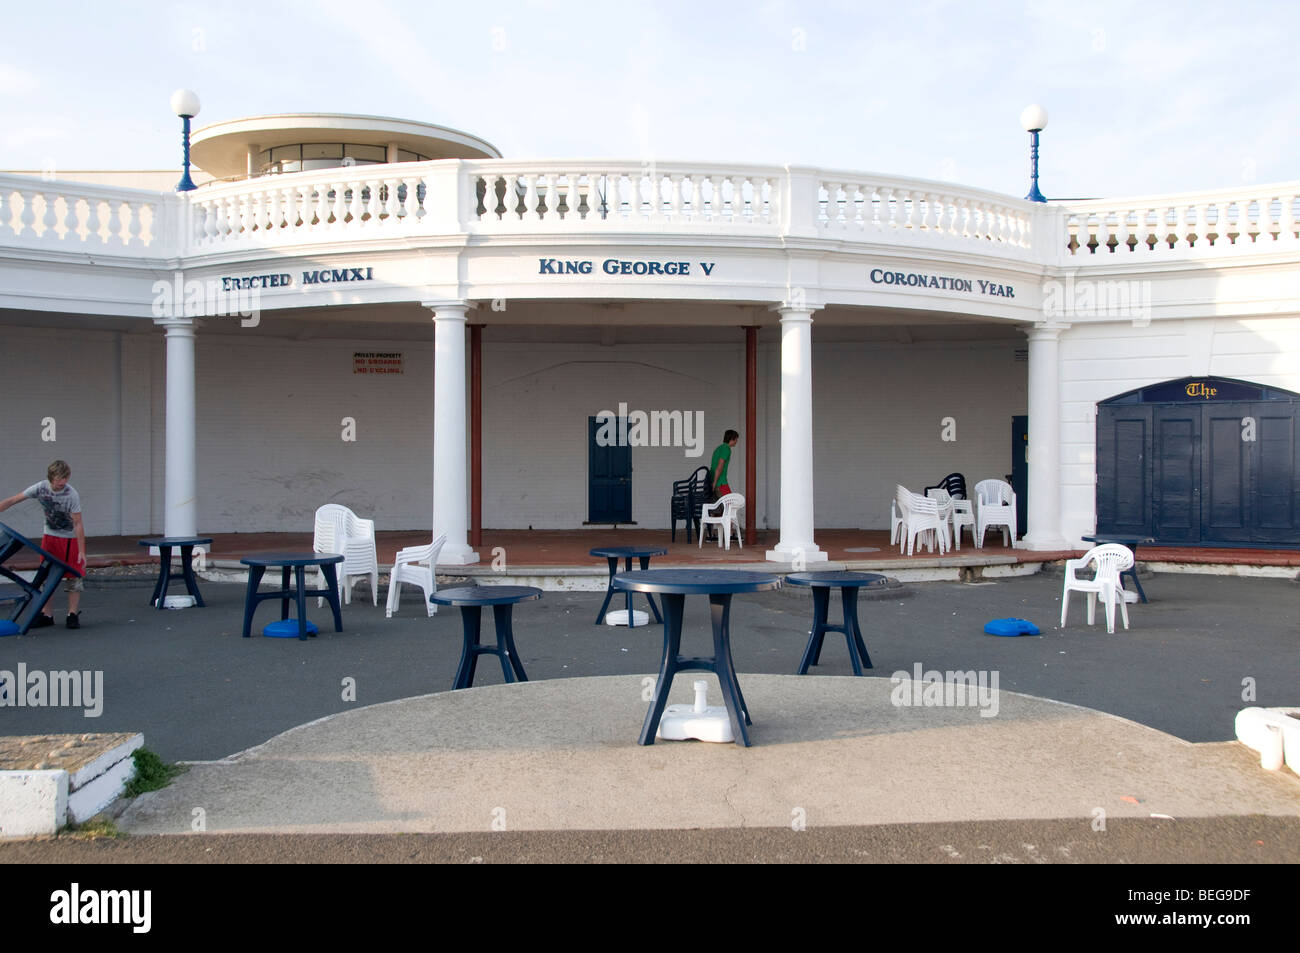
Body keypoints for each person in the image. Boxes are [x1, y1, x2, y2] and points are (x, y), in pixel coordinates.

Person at [0, 460, 87, 628]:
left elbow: (78, 524)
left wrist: (82, 551)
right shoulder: (40, 488)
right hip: (50, 537)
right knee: (45, 576)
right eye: (57, 483)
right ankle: (47, 615)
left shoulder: (71, 494)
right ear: (50, 478)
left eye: (64, 481)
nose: (61, 485)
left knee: (74, 577)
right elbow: (13, 500)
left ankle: (72, 614)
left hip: (69, 539)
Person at [705, 430, 739, 541]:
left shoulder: (718, 448)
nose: (737, 441)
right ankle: (729, 533)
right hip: (721, 482)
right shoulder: (726, 449)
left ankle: (711, 534)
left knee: (719, 508)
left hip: (715, 481)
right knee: (730, 505)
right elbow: (719, 466)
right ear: (732, 439)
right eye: (736, 439)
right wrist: (715, 482)